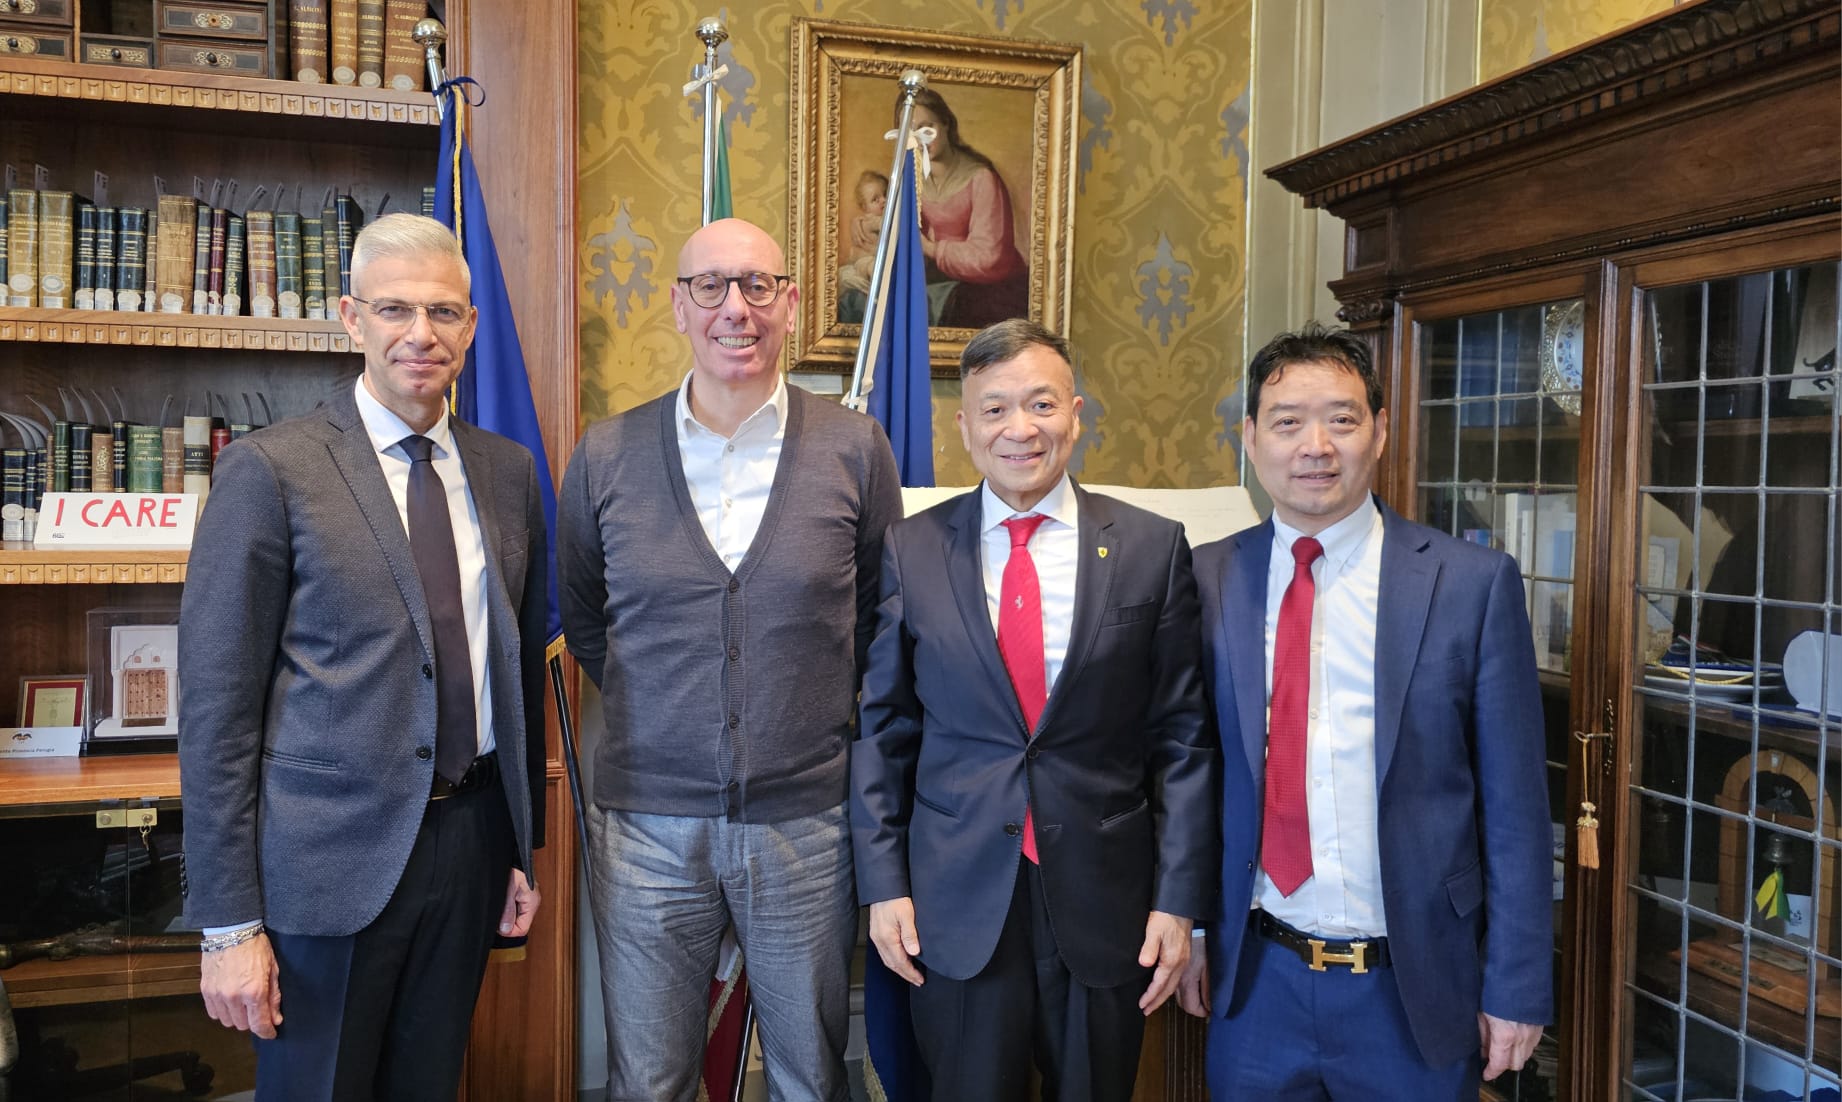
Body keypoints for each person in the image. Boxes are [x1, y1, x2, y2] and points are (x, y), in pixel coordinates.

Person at [178, 212, 548, 1100]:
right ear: (350, 319)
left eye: (446, 313)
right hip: (322, 869)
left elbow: (516, 671)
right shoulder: (273, 471)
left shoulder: (507, 472)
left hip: (467, 846)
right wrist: (228, 924)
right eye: (395, 310)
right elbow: (217, 709)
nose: (422, 334)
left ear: (471, 325)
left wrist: (517, 851)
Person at [557, 217, 903, 1102]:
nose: (734, 309)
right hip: (646, 828)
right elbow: (591, 623)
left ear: (789, 304)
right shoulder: (605, 453)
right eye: (710, 286)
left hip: (806, 823)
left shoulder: (854, 448)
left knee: (808, 1077)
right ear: (678, 306)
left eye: (757, 286)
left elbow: (876, 617)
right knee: (651, 1079)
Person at [1177, 322, 1552, 1099]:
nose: (1315, 445)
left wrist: (1516, 986)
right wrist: (1196, 929)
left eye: (1341, 419)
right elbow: (1190, 772)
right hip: (1257, 982)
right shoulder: (1206, 581)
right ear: (1251, 438)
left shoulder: (1469, 585)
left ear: (1379, 432)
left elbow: (1516, 808)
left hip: (1412, 987)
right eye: (1287, 423)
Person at [851, 318, 1219, 1101]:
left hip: (1106, 901)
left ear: (1076, 415)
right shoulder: (912, 549)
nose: (1020, 429)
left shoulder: (1153, 547)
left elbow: (1182, 740)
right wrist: (883, 884)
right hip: (955, 903)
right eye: (995, 409)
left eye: (1041, 405)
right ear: (965, 427)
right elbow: (884, 731)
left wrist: (1179, 901)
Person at [907, 87, 1030, 329]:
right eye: (910, 132)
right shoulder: (913, 179)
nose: (920, 139)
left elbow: (989, 257)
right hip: (946, 280)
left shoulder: (981, 178)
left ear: (947, 125)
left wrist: (931, 249)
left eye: (926, 128)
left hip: (993, 288)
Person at [839, 169, 889, 298]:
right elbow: (883, 224)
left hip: (870, 257)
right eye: (875, 199)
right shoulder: (871, 221)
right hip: (864, 260)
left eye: (885, 194)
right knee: (871, 267)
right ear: (865, 208)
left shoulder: (862, 221)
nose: (883, 200)